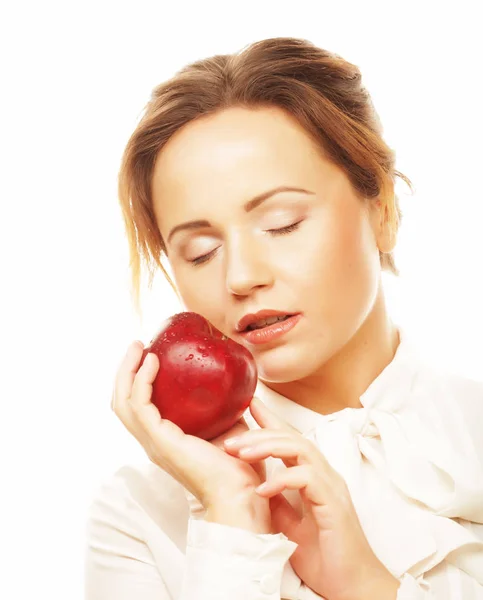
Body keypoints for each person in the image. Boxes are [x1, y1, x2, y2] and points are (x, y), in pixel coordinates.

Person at [84, 37, 483, 599]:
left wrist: (368, 588)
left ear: (384, 212)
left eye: (283, 223)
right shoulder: (138, 516)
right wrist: (232, 515)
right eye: (200, 252)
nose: (240, 277)